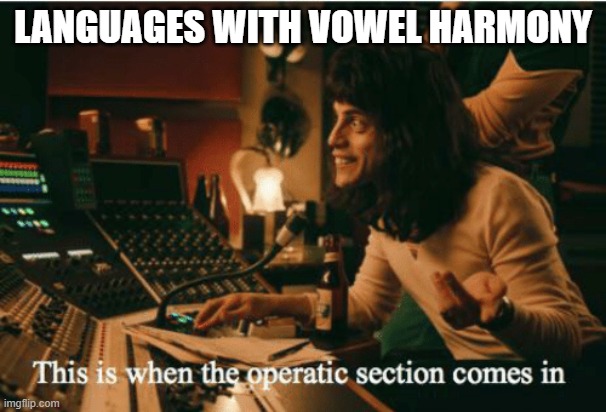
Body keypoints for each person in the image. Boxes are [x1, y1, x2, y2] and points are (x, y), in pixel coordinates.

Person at [195, 45, 605, 363]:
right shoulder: (391, 203)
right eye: (338, 118)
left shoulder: (499, 196)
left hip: (572, 381)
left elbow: (567, 342)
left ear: (405, 131)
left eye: (356, 121)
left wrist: (501, 314)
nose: (333, 138)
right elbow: (365, 306)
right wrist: (268, 304)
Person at [378, 1, 592, 358]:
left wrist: (397, 123)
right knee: (401, 344)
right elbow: (402, 89)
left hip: (507, 190)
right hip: (436, 185)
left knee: (501, 347)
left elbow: (483, 125)